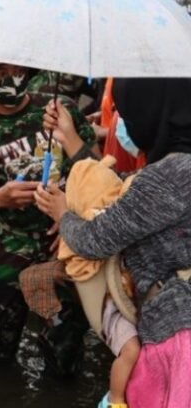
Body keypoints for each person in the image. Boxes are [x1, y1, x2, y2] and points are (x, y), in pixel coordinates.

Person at [35, 77, 191, 408]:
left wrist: (63, 214)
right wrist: (72, 139)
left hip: (179, 337)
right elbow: (124, 192)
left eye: (129, 114)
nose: (124, 125)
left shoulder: (170, 175)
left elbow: (95, 240)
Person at [0, 60, 97, 374]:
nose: (9, 79)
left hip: (64, 246)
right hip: (10, 248)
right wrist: (0, 196)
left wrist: (74, 214)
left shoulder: (59, 110)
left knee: (65, 348)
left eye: (14, 70)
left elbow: (95, 168)